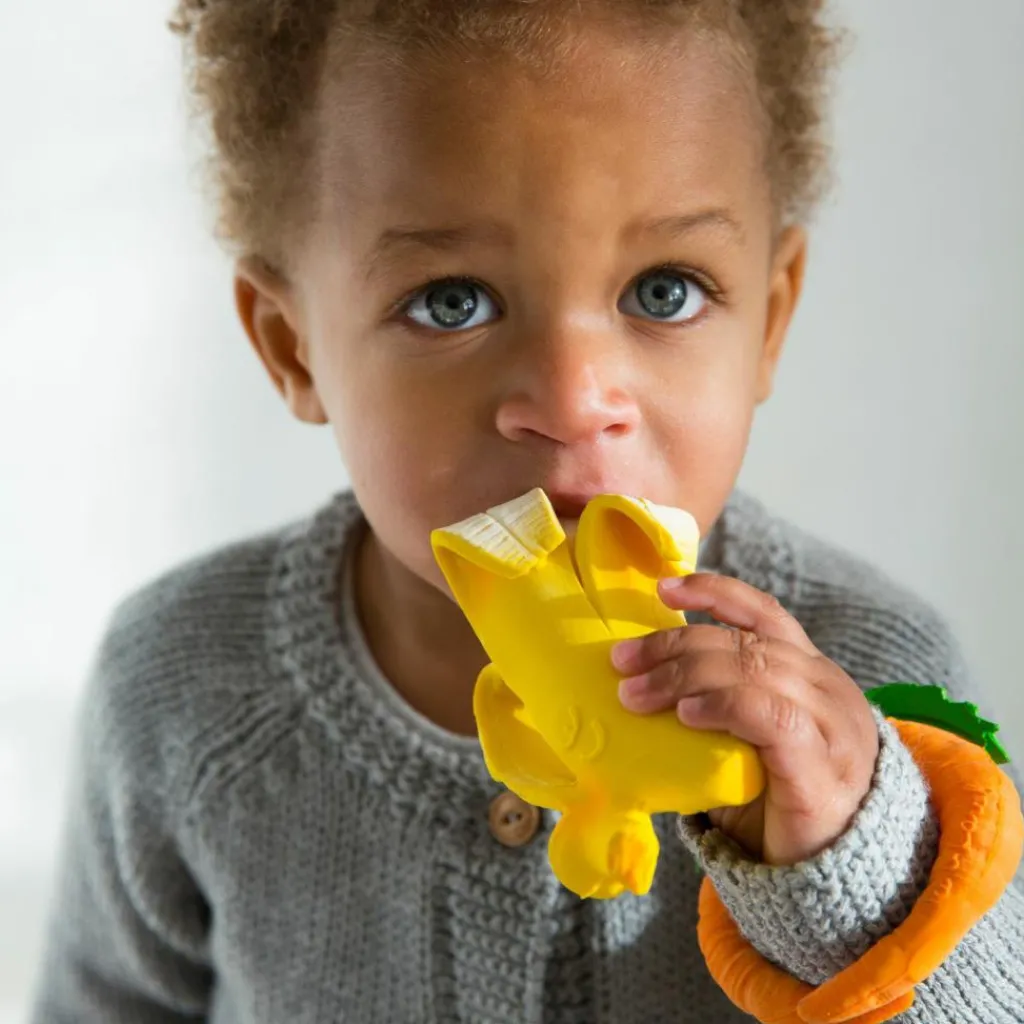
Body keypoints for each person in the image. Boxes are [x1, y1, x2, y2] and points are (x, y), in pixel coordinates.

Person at [29, 1, 1024, 1021]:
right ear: (293, 347)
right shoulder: (181, 687)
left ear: (767, 320)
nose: (570, 399)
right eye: (451, 300)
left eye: (664, 291)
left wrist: (847, 863)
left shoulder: (875, 680)